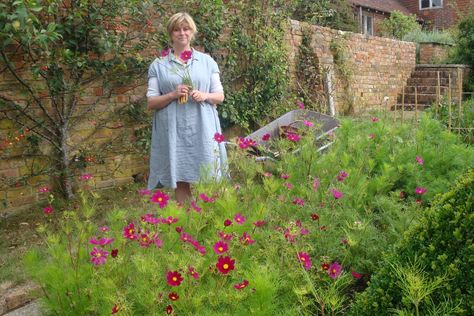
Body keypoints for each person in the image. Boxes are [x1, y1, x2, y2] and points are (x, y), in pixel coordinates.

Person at [146, 12, 227, 203]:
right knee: (181, 176)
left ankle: (212, 219)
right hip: (173, 128)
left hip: (203, 126)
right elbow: (151, 102)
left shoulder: (207, 62)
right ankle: (187, 221)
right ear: (170, 33)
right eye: (176, 29)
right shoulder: (159, 65)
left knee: (209, 172)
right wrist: (173, 95)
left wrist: (205, 95)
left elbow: (220, 96)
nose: (182, 33)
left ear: (192, 32)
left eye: (186, 28)